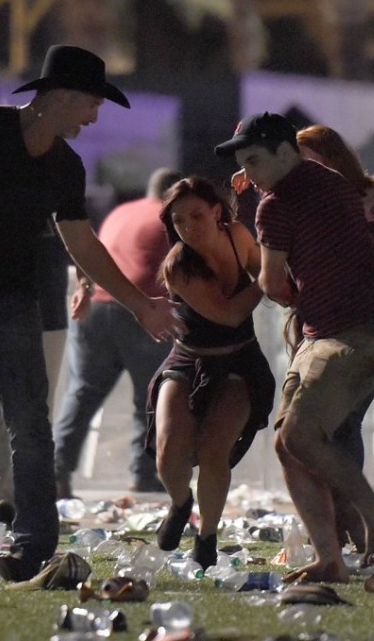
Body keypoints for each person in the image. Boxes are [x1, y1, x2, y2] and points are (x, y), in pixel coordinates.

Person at [0, 44, 182, 583]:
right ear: (62, 97)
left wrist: (140, 302)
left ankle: (31, 546)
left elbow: (83, 242)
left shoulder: (65, 165)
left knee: (32, 425)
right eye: (92, 105)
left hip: (15, 303)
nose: (95, 117)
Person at [217, 112, 374, 583]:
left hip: (344, 333)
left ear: (285, 151)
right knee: (288, 443)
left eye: (255, 161)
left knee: (298, 437)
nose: (250, 175)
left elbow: (271, 281)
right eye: (243, 165)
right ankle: (330, 558)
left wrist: (290, 293)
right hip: (360, 329)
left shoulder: (274, 206)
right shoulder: (331, 181)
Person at [146, 176, 275, 569]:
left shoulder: (237, 235)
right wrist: (269, 278)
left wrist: (276, 274)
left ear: (217, 213)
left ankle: (207, 536)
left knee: (214, 447)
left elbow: (261, 265)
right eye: (179, 220)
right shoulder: (179, 265)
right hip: (189, 358)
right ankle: (181, 503)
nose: (188, 227)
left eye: (197, 216)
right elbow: (230, 311)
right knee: (170, 451)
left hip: (239, 359)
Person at [53, 168, 181, 499]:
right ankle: (144, 474)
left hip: (96, 305)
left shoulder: (121, 212)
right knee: (151, 396)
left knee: (83, 392)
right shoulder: (171, 218)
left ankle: (56, 471)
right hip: (141, 307)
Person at [0, 220, 70, 525]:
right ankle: (12, 498)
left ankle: (12, 497)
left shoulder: (52, 188)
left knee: (18, 409)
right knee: (16, 408)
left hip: (40, 313)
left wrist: (84, 279)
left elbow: (78, 234)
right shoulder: (46, 187)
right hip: (7, 312)